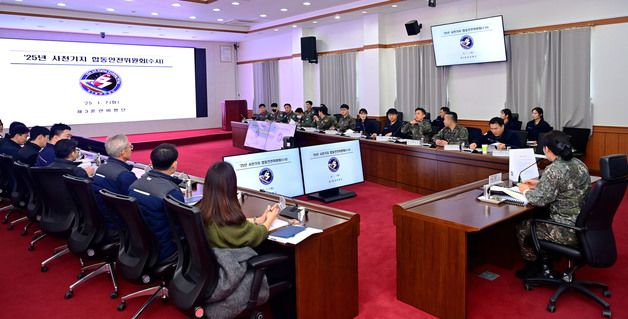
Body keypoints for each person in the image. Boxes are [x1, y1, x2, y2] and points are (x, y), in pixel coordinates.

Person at [200, 161, 290, 318]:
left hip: (210, 270)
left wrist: (258, 219)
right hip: (231, 270)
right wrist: (270, 219)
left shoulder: (205, 209)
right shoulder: (228, 221)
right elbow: (257, 235)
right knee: (288, 266)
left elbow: (237, 226)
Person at [515, 131, 591, 279]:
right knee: (540, 214)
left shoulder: (553, 169)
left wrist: (524, 190)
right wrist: (540, 183)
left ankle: (534, 267)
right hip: (585, 224)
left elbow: (538, 200)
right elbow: (567, 184)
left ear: (547, 149)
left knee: (523, 226)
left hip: (566, 229)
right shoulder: (579, 163)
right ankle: (548, 259)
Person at [128, 143, 184, 263]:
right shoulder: (172, 191)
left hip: (138, 245)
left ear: (151, 163)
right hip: (165, 249)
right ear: (174, 165)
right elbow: (182, 225)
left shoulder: (133, 185)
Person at [92, 134, 138, 235]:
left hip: (103, 218)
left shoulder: (101, 168)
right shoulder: (125, 176)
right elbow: (136, 205)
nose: (131, 149)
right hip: (119, 223)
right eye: (130, 147)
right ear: (122, 152)